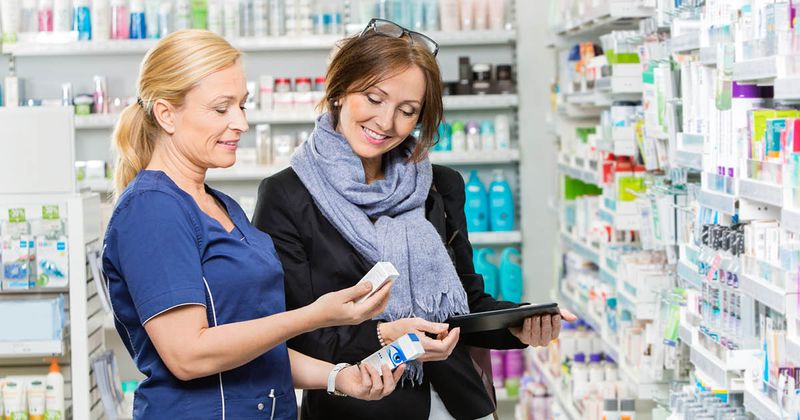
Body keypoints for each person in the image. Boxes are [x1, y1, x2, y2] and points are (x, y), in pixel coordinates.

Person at [252, 19, 577, 420]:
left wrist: (518, 323)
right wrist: (384, 335)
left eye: (407, 111)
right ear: (338, 92)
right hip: (358, 409)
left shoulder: (439, 185)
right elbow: (294, 333)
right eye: (373, 98)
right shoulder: (287, 195)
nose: (386, 123)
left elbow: (466, 304)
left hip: (457, 404)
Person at [102, 30, 406, 420]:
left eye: (242, 106)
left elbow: (254, 348)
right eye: (221, 108)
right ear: (166, 114)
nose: (241, 123)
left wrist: (338, 377)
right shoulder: (151, 210)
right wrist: (317, 314)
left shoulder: (222, 205)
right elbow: (188, 355)